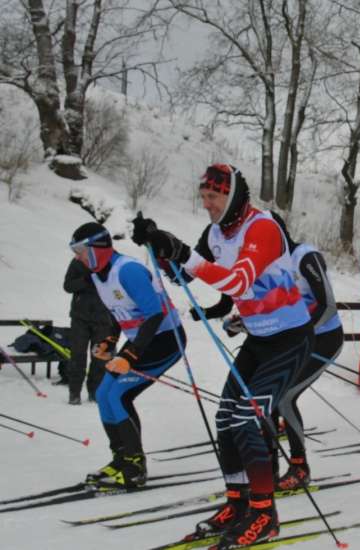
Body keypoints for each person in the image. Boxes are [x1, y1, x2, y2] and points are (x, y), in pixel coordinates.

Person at [133, 164, 313, 548]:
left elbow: (237, 282)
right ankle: (238, 502)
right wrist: (158, 245)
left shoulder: (261, 227)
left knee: (247, 417)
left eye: (212, 198)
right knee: (226, 417)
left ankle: (264, 515)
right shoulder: (216, 233)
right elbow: (186, 272)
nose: (207, 205)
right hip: (260, 339)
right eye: (203, 198)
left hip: (291, 339)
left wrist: (182, 253)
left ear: (230, 195)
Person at [70, 222, 184, 488]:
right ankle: (121, 458)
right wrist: (109, 342)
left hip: (165, 341)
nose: (77, 256)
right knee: (103, 394)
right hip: (141, 342)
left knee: (118, 394)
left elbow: (154, 314)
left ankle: (135, 465)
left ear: (98, 248)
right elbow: (116, 313)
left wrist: (130, 355)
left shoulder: (128, 270)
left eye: (80, 250)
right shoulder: (99, 276)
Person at [273, 235, 344, 490]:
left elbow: (328, 307)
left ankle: (300, 468)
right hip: (301, 340)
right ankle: (268, 468)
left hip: (325, 339)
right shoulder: (274, 263)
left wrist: (299, 331)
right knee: (267, 391)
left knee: (285, 396)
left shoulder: (304, 256)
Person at [63, 256, 118, 404]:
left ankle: (95, 392)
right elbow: (68, 286)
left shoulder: (109, 262)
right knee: (77, 356)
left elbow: (117, 288)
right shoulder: (77, 261)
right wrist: (86, 280)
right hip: (80, 318)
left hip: (103, 319)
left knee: (99, 358)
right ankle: (74, 393)